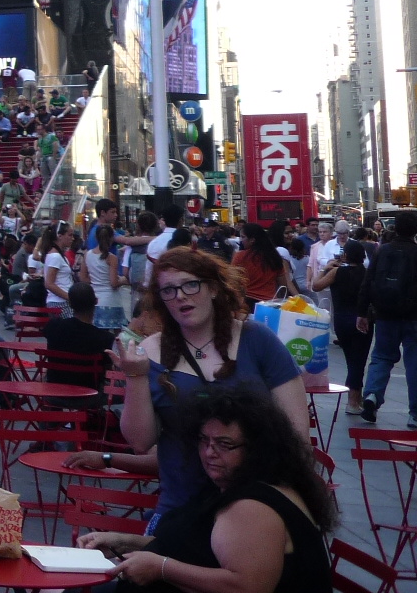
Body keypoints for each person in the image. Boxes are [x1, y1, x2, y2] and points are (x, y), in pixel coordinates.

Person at [76, 382, 333, 593]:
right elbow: (194, 548)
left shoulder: (252, 507)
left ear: (257, 448)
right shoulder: (237, 482)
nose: (210, 452)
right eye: (204, 440)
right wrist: (124, 542)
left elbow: (247, 587)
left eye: (224, 444)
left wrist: (161, 567)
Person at [116, 248, 308, 525]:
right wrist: (135, 377)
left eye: (190, 285)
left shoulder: (258, 340)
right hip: (181, 509)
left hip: (255, 509)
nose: (180, 295)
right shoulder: (150, 351)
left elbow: (297, 435)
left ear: (214, 289)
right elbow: (139, 441)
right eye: (168, 290)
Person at [358, 210, 417, 426]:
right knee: (414, 363)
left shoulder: (382, 251)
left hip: (385, 315)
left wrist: (361, 312)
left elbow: (367, 282)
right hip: (413, 316)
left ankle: (372, 395)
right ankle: (415, 414)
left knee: (381, 357)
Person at [311, 240, 370, 414]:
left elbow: (316, 285)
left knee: (351, 359)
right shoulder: (367, 273)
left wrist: (326, 267)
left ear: (345, 255)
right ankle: (353, 400)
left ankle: (354, 399)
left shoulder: (337, 272)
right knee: (358, 360)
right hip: (363, 318)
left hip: (342, 320)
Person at [42, 283, 112, 393]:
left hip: (55, 390)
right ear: (96, 301)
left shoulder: (53, 326)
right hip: (89, 393)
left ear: (69, 303)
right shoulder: (105, 338)